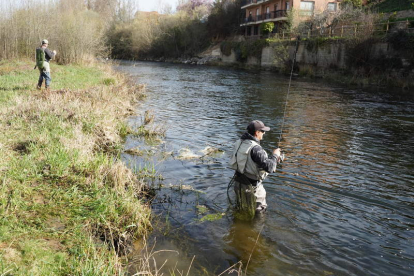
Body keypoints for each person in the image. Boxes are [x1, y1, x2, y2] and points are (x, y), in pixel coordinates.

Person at [230, 120, 283, 215]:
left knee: (241, 209)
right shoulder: (256, 148)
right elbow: (270, 168)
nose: (264, 133)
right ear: (257, 132)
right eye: (262, 131)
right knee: (260, 213)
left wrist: (273, 159)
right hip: (252, 188)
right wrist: (275, 156)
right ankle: (256, 229)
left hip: (238, 183)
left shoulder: (239, 142)